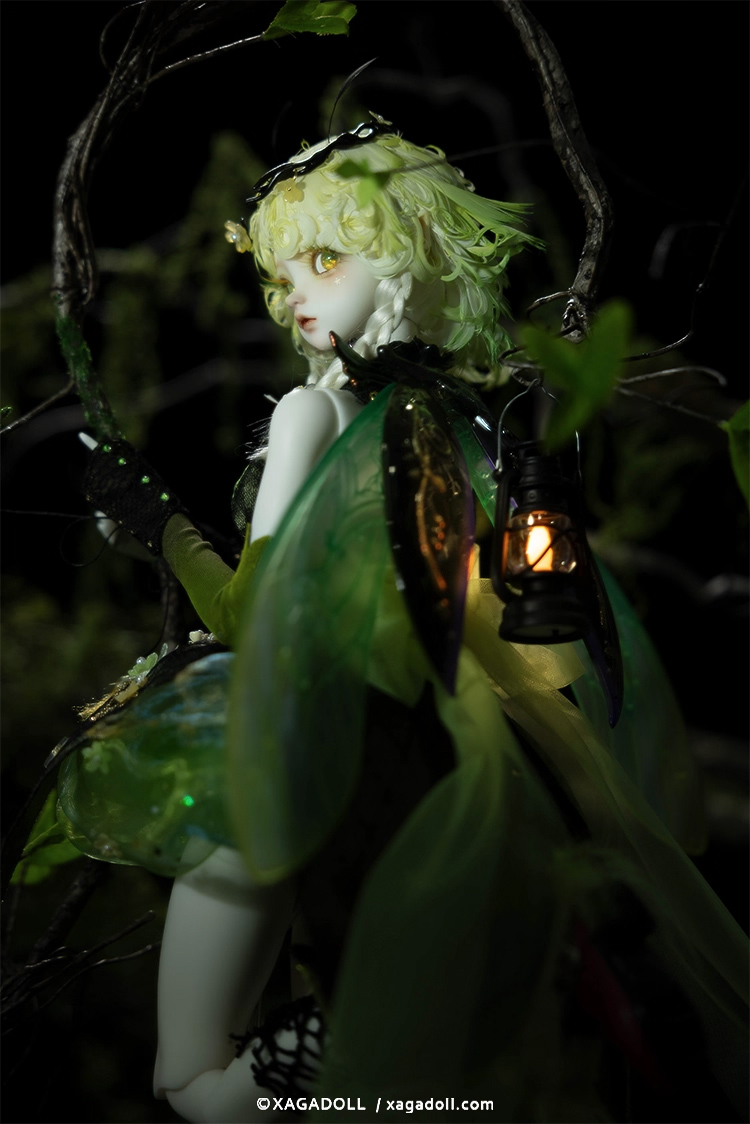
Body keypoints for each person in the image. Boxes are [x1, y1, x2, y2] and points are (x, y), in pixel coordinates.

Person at [61, 120, 747, 1122]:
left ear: (402, 259)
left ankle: (334, 1051)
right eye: (282, 272)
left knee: (190, 1082)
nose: (296, 293)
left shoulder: (314, 414)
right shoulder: (463, 422)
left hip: (307, 732)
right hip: (468, 741)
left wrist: (159, 524)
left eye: (326, 258)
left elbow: (255, 614)